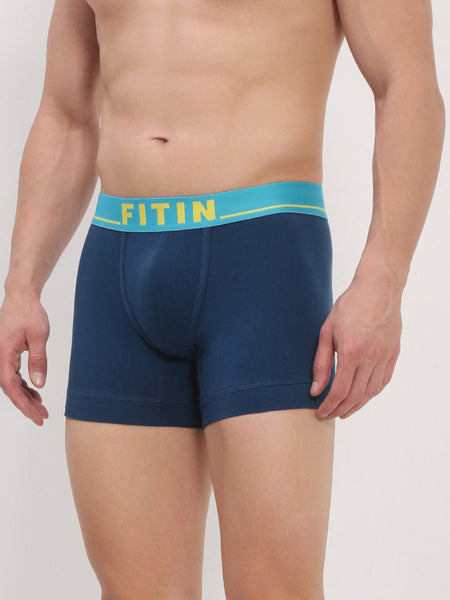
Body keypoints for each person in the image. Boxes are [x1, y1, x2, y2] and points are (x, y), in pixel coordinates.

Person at [0, 0, 445, 598]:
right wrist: (22, 284)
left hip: (262, 263)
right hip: (117, 264)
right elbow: (66, 113)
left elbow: (406, 82)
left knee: (276, 589)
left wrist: (384, 278)